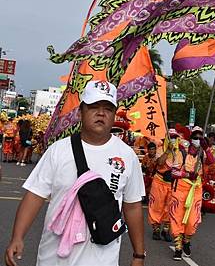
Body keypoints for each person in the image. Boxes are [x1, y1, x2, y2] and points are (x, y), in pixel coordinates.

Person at [4, 80, 146, 266]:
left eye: (108, 109)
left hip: (102, 259)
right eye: (94, 107)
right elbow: (35, 196)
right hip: (53, 258)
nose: (101, 113)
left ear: (113, 116)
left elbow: (132, 207)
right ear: (80, 112)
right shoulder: (58, 151)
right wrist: (17, 237)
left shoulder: (127, 156)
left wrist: (138, 255)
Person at [169, 129, 205, 261]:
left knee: (193, 220)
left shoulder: (203, 153)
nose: (198, 140)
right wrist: (188, 174)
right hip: (180, 188)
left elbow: (212, 163)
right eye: (195, 137)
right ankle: (178, 247)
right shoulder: (181, 153)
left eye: (200, 138)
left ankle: (187, 240)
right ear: (191, 139)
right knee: (176, 217)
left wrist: (205, 148)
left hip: (196, 189)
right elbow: (173, 172)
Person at [148, 129, 180, 242]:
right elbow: (160, 163)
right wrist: (167, 151)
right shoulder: (160, 149)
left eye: (175, 137)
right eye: (171, 137)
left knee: (170, 208)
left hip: (172, 183)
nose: (173, 139)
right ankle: (156, 229)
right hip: (159, 181)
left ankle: (166, 230)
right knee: (157, 206)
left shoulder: (179, 152)